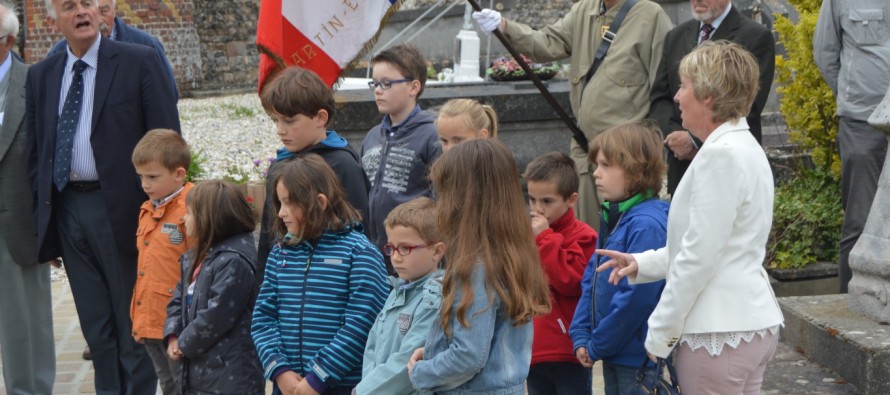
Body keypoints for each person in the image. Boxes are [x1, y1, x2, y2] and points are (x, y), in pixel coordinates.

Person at [597, 41, 784, 395]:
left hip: (718, 330)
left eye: (683, 86)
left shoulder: (720, 155)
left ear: (709, 96)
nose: (677, 97)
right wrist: (641, 263)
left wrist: (660, 334)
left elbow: (699, 256)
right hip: (749, 324)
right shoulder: (743, 145)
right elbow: (710, 245)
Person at [26, 0, 181, 392]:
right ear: (52, 18)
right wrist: (43, 219)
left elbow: (168, 140)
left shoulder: (138, 62)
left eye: (87, 4)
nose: (80, 12)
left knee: (133, 324)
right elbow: (36, 154)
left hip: (126, 211)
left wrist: (165, 212)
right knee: (97, 328)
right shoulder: (42, 76)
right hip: (68, 210)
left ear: (99, 11)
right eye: (68, 6)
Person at [472, 0, 672, 229]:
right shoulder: (584, 10)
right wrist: (505, 26)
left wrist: (656, 145)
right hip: (586, 147)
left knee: (629, 229)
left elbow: (663, 85)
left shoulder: (650, 15)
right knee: (585, 229)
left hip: (627, 154)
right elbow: (547, 43)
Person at [407, 139, 551, 394]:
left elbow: (468, 357)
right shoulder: (512, 254)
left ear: (463, 199)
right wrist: (433, 350)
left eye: (444, 193)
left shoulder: (475, 267)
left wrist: (421, 372)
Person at [252, 154, 389, 395]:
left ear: (320, 202)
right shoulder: (280, 254)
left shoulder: (360, 253)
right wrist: (279, 370)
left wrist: (319, 377)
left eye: (288, 203)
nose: (281, 213)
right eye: (279, 203)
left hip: (342, 386)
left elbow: (362, 323)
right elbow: (263, 317)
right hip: (288, 387)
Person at [569, 121, 669, 395]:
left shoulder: (646, 225)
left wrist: (597, 344)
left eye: (606, 165)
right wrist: (580, 333)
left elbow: (635, 298)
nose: (596, 174)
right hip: (614, 350)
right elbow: (593, 275)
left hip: (635, 356)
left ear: (636, 170)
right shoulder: (615, 215)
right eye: (596, 165)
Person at [256, 66, 370, 285]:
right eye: (275, 121)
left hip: (328, 285)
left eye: (289, 121)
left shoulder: (342, 165)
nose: (280, 130)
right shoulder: (280, 166)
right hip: (283, 282)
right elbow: (268, 237)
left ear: (320, 117)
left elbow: (361, 235)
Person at [649, 0, 775, 195]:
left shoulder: (756, 36)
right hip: (682, 166)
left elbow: (747, 106)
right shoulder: (675, 36)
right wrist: (676, 137)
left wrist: (694, 140)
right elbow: (661, 97)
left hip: (728, 165)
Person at [814, 0, 890, 293]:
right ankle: (849, 305)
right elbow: (825, 54)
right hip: (862, 122)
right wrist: (853, 95)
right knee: (859, 220)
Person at [0, 2, 56, 394]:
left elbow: (47, 156)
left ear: (7, 40)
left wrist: (49, 224)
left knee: (25, 324)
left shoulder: (33, 81)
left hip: (16, 223)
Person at [163, 180, 265, 395]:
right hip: (201, 370)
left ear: (209, 219)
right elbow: (178, 298)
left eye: (188, 213)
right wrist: (172, 335)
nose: (183, 218)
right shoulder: (195, 255)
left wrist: (184, 343)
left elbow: (216, 316)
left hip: (230, 375)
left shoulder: (234, 261)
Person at [361, 44, 442, 272]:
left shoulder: (432, 135)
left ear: (413, 87)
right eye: (375, 83)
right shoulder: (372, 137)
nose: (378, 90)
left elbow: (440, 200)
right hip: (375, 254)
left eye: (387, 83)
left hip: (415, 255)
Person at [523, 152, 598, 395]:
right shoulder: (529, 236)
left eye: (547, 201)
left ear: (571, 199)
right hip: (533, 349)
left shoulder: (584, 236)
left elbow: (570, 281)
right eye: (532, 200)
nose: (537, 209)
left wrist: (545, 238)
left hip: (568, 351)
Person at [357, 197, 445, 395]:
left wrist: (363, 391)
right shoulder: (397, 291)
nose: (396, 257)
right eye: (391, 248)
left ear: (437, 251)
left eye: (406, 248)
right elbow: (372, 347)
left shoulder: (433, 299)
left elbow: (407, 362)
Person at [130, 129, 194, 395]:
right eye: (141, 176)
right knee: (166, 382)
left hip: (177, 321)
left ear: (179, 174)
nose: (145, 184)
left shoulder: (192, 209)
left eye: (152, 177)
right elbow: (145, 269)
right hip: (150, 317)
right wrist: (139, 317)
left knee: (186, 383)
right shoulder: (148, 208)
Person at [47, 0, 179, 99]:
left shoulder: (145, 46)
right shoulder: (58, 54)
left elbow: (167, 96)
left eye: (103, 12)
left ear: (115, 9)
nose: (97, 20)